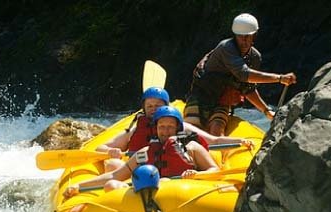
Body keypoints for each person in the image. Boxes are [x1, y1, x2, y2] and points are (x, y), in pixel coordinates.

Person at [64, 105, 219, 197]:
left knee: (164, 182)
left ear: (178, 128)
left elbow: (215, 170)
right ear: (156, 128)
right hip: (148, 198)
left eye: (170, 127)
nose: (165, 131)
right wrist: (80, 186)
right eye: (161, 127)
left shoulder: (192, 148)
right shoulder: (145, 152)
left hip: (184, 194)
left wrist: (198, 175)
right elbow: (115, 175)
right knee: (112, 185)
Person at [184, 13, 297, 136]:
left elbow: (248, 88)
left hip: (221, 102)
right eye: (240, 36)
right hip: (200, 97)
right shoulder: (226, 48)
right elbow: (244, 74)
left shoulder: (254, 57)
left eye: (248, 36)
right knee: (191, 131)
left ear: (254, 35)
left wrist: (266, 110)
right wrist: (279, 78)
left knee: (217, 129)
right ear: (235, 36)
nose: (244, 40)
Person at [96, 86, 253, 171]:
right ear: (143, 108)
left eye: (158, 105)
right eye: (149, 106)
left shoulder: (179, 126)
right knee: (112, 165)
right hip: (142, 171)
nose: (153, 109)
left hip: (178, 174)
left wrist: (240, 141)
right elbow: (100, 147)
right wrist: (110, 152)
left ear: (166, 106)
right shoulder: (137, 128)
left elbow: (214, 141)